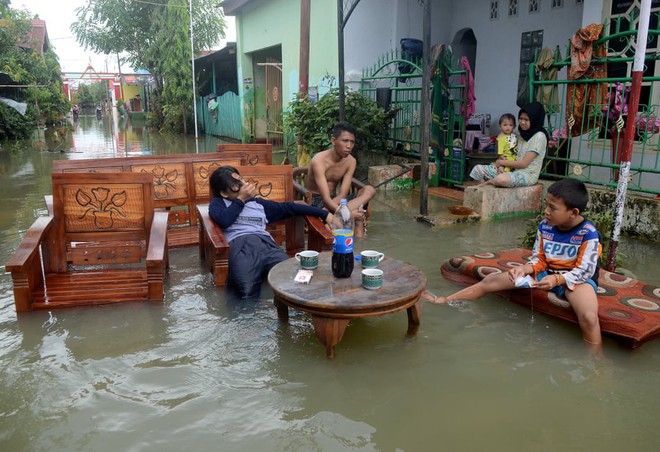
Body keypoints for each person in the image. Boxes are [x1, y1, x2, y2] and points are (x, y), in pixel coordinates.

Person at [432, 179, 603, 354]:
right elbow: (539, 259)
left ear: (573, 212)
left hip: (576, 279)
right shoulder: (545, 226)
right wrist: (524, 269)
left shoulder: (588, 233)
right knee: (490, 281)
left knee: (589, 318)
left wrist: (558, 279)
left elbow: (585, 271)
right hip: (546, 273)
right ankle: (447, 300)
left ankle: (596, 361)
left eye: (553, 208)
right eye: (546, 205)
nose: (546, 211)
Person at [209, 166, 334, 299]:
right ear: (224, 193)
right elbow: (224, 220)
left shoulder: (257, 204)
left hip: (267, 245)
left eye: (241, 181)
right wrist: (240, 200)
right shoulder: (219, 203)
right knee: (245, 291)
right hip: (241, 246)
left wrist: (324, 214)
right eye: (235, 186)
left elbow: (289, 208)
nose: (243, 186)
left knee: (292, 278)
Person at [304, 122, 376, 238]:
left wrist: (341, 209)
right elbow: (326, 199)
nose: (349, 146)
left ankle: (359, 246)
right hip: (317, 203)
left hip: (337, 202)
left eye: (352, 142)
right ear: (333, 141)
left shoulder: (351, 161)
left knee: (369, 189)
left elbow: (343, 194)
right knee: (357, 213)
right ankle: (348, 217)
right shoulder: (319, 160)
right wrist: (346, 213)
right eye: (345, 141)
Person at [470, 102, 548, 187]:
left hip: (526, 174)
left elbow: (524, 164)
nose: (522, 122)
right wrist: (501, 165)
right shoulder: (520, 133)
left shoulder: (539, 136)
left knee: (501, 179)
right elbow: (509, 152)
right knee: (477, 170)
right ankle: (483, 190)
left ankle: (489, 183)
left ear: (534, 120)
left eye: (526, 120)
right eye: (521, 118)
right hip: (511, 168)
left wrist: (500, 162)